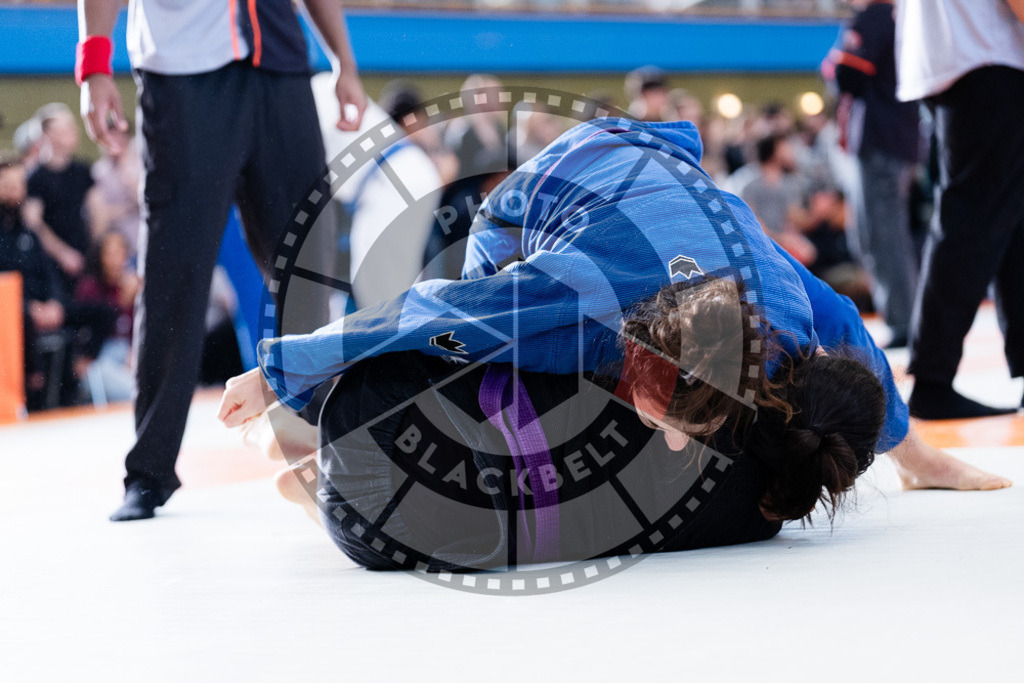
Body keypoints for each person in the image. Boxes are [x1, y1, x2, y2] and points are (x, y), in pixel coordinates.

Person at [218, 118, 1009, 566]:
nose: (671, 438)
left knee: (702, 428)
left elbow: (848, 334)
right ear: (636, 354)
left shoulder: (786, 315)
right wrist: (282, 369)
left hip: (673, 186)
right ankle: (313, 439)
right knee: (467, 342)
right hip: (539, 202)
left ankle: (323, 462)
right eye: (670, 414)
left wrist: (914, 451)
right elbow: (431, 309)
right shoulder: (572, 296)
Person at [77, 0, 367, 521]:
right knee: (175, 278)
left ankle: (321, 451)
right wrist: (94, 65)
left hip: (280, 65)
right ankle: (148, 472)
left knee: (307, 267)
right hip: (184, 74)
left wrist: (343, 59)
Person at [895, 0, 1024, 419]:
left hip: (952, 56)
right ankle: (932, 379)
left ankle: (935, 376)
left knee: (1007, 221)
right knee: (970, 220)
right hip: (988, 56)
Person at [828, 0, 921, 349]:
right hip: (894, 139)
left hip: (880, 141)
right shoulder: (897, 16)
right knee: (883, 235)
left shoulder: (876, 15)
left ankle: (905, 321)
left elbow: (847, 74)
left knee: (882, 236)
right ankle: (904, 318)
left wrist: (834, 66)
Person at [23, 104, 96, 295]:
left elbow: (97, 210)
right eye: (66, 127)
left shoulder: (82, 170)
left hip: (84, 255)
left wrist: (94, 248)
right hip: (50, 262)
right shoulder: (36, 177)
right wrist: (62, 253)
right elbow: (33, 222)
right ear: (48, 134)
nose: (74, 131)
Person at [74, 231, 139, 404]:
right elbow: (89, 330)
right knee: (104, 373)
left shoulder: (133, 287)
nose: (116, 261)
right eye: (110, 254)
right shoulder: (89, 288)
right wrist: (122, 303)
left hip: (128, 357)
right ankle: (140, 394)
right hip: (99, 361)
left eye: (120, 253)